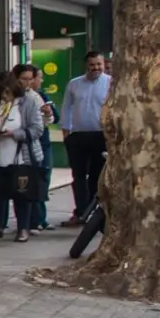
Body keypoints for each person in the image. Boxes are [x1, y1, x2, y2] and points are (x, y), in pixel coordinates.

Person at [0, 70, 46, 243]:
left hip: (20, 156)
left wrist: (14, 134)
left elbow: (37, 129)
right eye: (2, 92)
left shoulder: (28, 103)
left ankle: (23, 228)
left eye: (8, 92)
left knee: (22, 193)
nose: (6, 96)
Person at [61, 51, 111, 223]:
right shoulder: (74, 84)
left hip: (101, 136)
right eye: (92, 65)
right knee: (78, 176)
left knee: (98, 177)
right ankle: (81, 212)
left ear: (103, 64)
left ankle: (96, 213)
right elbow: (66, 107)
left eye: (99, 64)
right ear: (86, 65)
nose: (95, 68)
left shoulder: (111, 83)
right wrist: (66, 132)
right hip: (78, 136)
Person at [23, 65, 58, 231]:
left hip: (43, 143)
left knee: (42, 180)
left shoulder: (42, 96)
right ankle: (32, 220)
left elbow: (55, 118)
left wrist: (48, 112)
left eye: (34, 78)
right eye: (38, 77)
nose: (39, 81)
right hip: (28, 143)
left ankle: (40, 218)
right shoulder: (20, 98)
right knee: (31, 181)